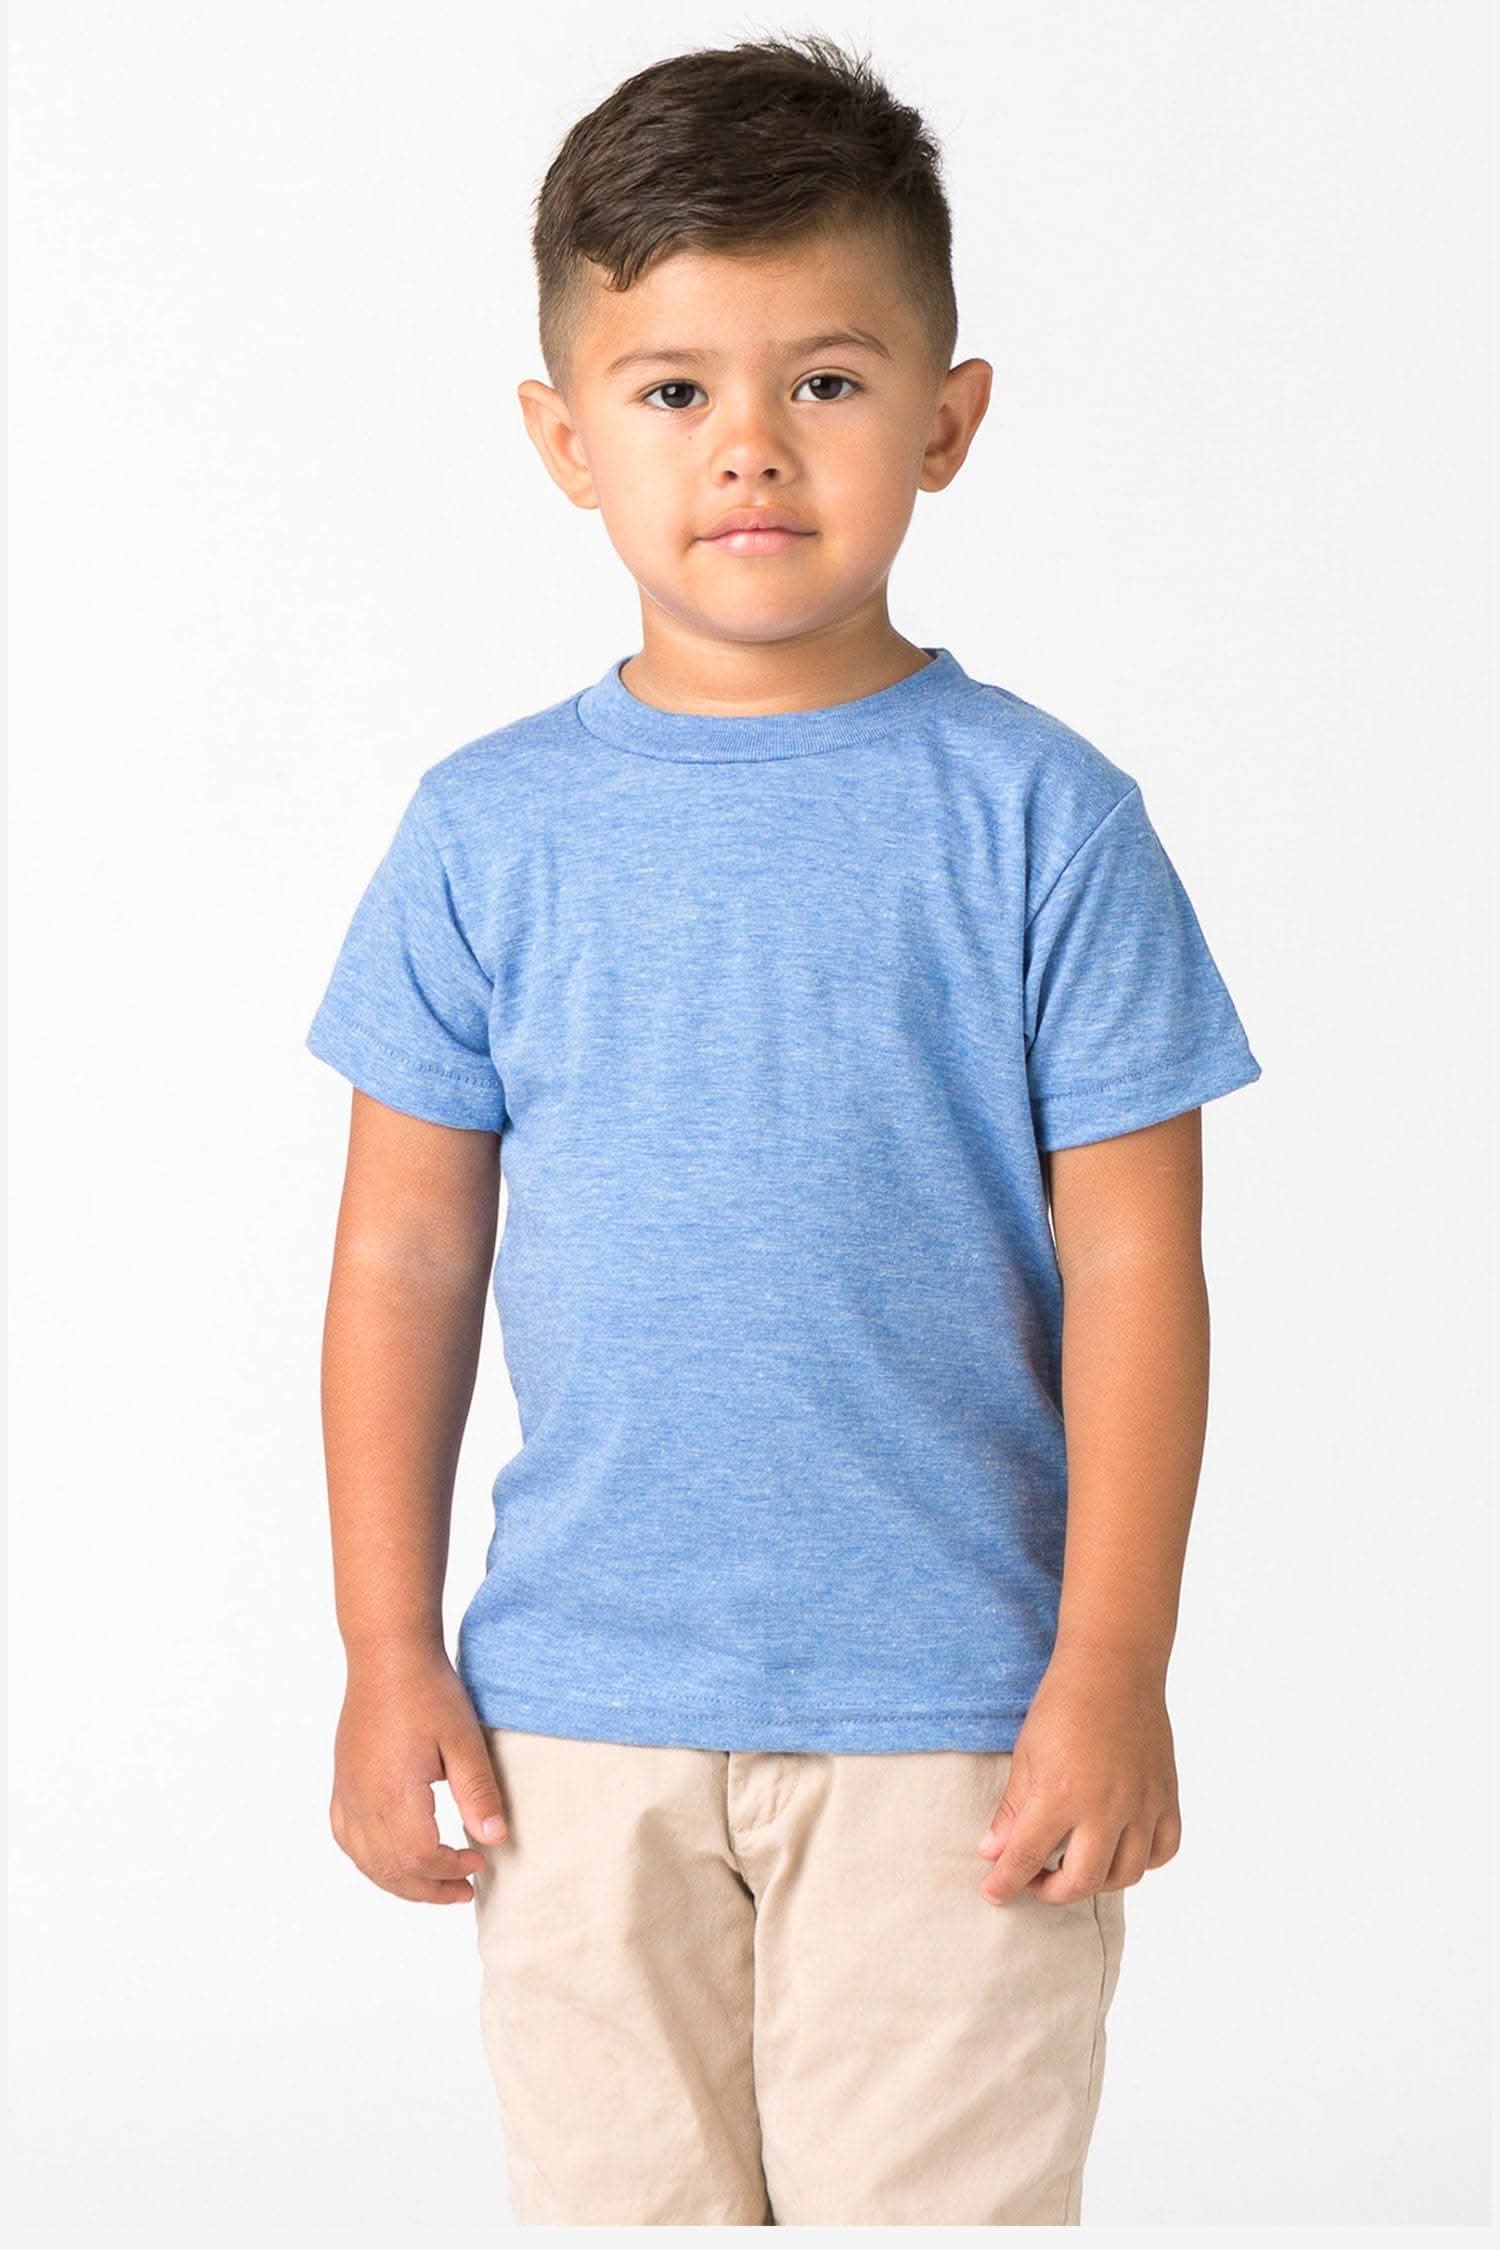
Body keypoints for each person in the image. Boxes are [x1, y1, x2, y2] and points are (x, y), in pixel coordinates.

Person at [305, 32, 1263, 2227]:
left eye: (825, 380)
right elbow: (403, 1254)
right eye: (672, 389)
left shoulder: (1045, 822)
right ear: (566, 438)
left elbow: (1137, 1264)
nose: (748, 443)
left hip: (955, 1718)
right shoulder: (483, 834)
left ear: (949, 418)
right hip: (574, 1720)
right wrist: (385, 1648)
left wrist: (1112, 1663)